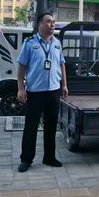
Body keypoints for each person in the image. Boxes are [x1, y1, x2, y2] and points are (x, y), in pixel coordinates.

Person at [16, 13, 68, 172]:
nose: (52, 25)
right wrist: (20, 88)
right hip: (35, 91)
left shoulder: (57, 43)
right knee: (31, 126)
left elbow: (62, 65)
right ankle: (26, 159)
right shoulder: (30, 43)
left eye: (53, 22)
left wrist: (64, 85)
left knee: (51, 126)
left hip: (53, 91)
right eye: (48, 22)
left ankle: (49, 157)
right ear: (39, 24)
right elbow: (22, 66)